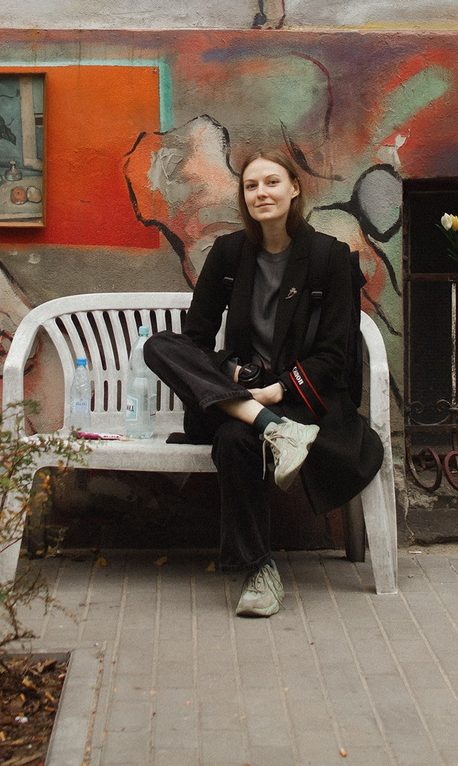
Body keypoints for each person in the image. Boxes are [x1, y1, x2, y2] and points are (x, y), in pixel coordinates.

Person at [142, 149, 385, 618]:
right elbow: (195, 340)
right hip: (240, 393)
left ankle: (258, 569)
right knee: (160, 346)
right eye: (251, 186)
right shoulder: (229, 253)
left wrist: (276, 391)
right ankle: (272, 430)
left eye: (272, 182)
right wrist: (232, 372)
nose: (261, 193)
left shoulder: (328, 257)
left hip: (301, 401)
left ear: (294, 188)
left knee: (235, 439)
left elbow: (334, 356)